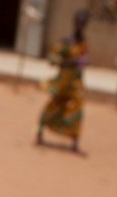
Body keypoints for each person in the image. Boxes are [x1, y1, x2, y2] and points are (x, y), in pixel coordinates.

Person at [36, 9, 90, 155]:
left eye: (83, 23)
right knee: (53, 106)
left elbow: (82, 64)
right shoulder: (67, 41)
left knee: (77, 109)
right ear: (75, 23)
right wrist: (69, 61)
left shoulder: (83, 43)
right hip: (62, 81)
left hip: (74, 83)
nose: (81, 25)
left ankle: (75, 142)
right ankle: (39, 133)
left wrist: (81, 70)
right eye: (79, 22)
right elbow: (52, 58)